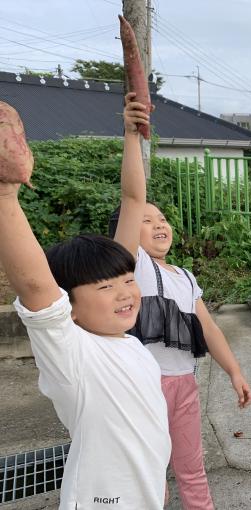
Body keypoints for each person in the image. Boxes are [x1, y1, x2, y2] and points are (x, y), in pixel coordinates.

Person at [0, 105, 170, 509]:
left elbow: (133, 201)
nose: (125, 292)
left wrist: (131, 134)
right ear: (69, 307)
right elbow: (36, 285)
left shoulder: (126, 340)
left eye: (127, 280)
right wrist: (5, 194)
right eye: (106, 287)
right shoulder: (71, 353)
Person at [110, 92, 251, 510]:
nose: (159, 224)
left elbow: (209, 329)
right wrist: (131, 135)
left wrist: (235, 371)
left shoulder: (186, 277)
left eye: (163, 219)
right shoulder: (130, 265)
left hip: (185, 385)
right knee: (147, 470)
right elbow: (132, 197)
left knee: (192, 466)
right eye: (146, 220)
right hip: (142, 386)